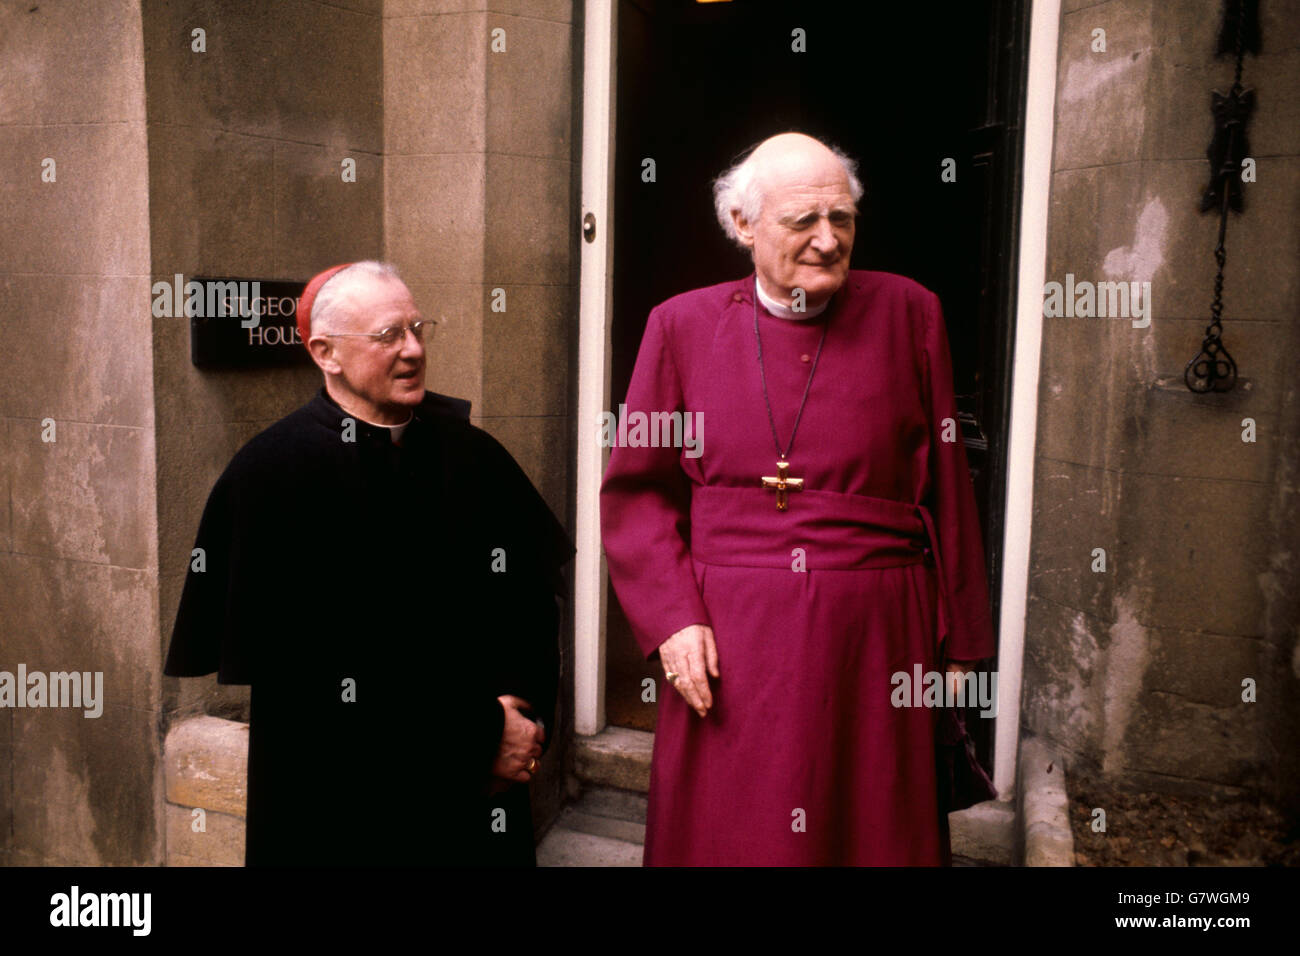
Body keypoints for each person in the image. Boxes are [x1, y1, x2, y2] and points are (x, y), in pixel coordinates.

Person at [599, 133, 996, 865]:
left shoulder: (912, 313)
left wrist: (963, 647)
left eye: (841, 219)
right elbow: (637, 492)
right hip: (728, 636)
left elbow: (949, 488)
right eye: (801, 222)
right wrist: (672, 621)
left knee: (870, 827)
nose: (826, 240)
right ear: (743, 227)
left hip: (877, 636)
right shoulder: (679, 326)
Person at [164, 261, 573, 866]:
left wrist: (523, 723)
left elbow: (535, 604)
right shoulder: (270, 476)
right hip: (344, 811)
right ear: (325, 353)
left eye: (417, 328)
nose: (413, 350)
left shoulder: (473, 455)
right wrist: (480, 735)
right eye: (388, 336)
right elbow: (320, 679)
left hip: (475, 802)